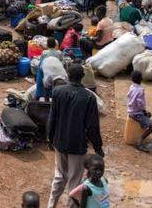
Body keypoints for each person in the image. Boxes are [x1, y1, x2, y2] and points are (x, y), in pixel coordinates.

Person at [47, 64, 103, 208]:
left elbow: (52, 118)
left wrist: (50, 138)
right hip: (77, 145)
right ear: (82, 77)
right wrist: (98, 148)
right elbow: (92, 127)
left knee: (59, 176)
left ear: (68, 75)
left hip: (59, 141)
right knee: (75, 181)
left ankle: (51, 204)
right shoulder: (88, 97)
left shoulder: (58, 92)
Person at [127, 70, 152, 151]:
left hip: (131, 111)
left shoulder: (131, 87)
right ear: (141, 79)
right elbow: (140, 104)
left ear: (132, 79)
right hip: (136, 114)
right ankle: (139, 142)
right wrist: (144, 112)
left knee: (148, 115)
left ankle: (143, 126)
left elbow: (129, 96)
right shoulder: (140, 90)